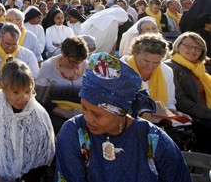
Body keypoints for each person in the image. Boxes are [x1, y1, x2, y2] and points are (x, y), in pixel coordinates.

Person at [55, 52, 191, 181]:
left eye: (97, 114)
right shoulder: (74, 132)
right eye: (84, 108)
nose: (87, 118)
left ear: (121, 113)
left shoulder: (153, 140)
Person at [0, 59, 54, 181]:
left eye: (27, 92)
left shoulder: (40, 116)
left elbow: (45, 156)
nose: (22, 99)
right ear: (3, 87)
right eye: (16, 92)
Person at [166, 32, 211, 153]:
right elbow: (181, 102)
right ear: (178, 46)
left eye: (197, 48)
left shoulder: (199, 69)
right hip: (192, 118)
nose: (193, 50)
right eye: (188, 46)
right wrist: (209, 114)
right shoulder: (171, 67)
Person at [36, 36, 89, 133]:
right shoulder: (48, 67)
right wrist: (66, 113)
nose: (77, 66)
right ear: (63, 54)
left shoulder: (87, 66)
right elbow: (41, 99)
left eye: (80, 62)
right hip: (56, 117)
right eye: (73, 62)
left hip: (83, 115)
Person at [0, 23, 39, 99]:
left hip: (22, 96)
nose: (11, 47)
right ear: (0, 37)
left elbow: (35, 81)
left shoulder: (28, 55)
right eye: (7, 44)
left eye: (14, 44)